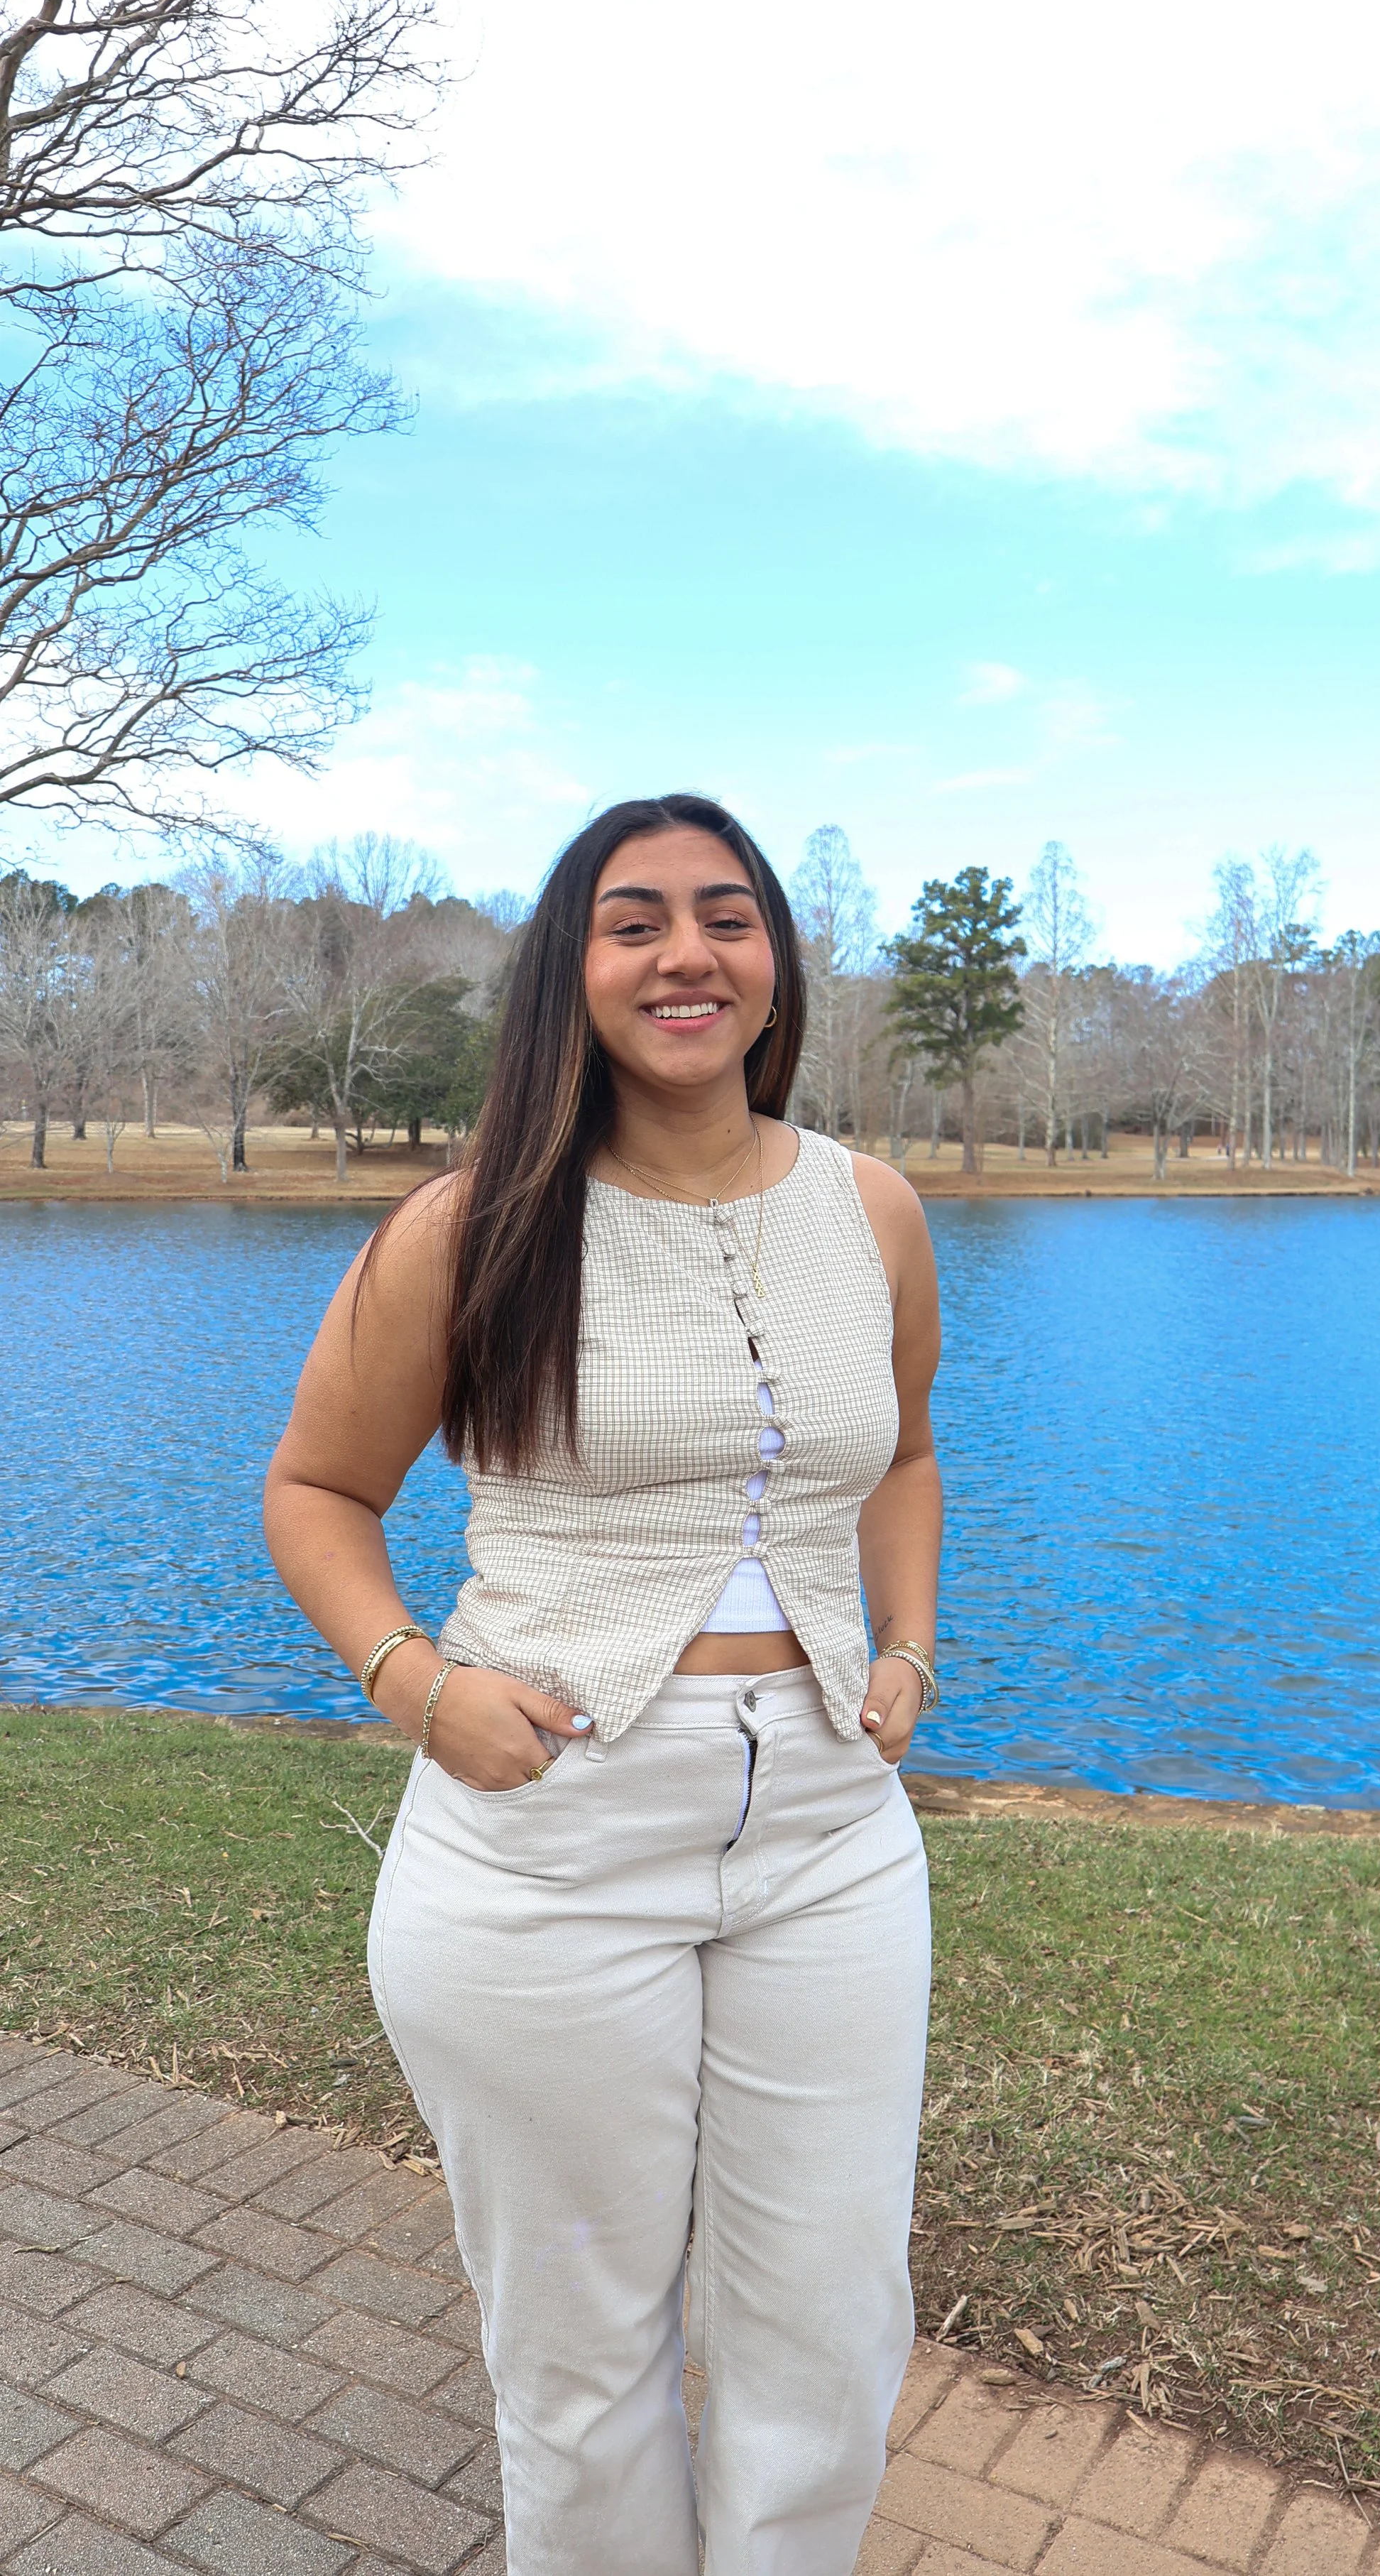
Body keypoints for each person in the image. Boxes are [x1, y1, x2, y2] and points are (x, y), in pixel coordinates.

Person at [263, 795, 942, 2576]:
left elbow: (904, 1455)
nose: (685, 953)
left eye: (725, 915)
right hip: (541, 1838)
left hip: (824, 1834)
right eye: (632, 920)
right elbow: (316, 1491)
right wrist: (414, 1684)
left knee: (829, 2326)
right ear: (574, 969)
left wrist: (905, 1644)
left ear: (775, 961)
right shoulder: (471, 1224)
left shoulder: (868, 1207)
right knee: (579, 2358)